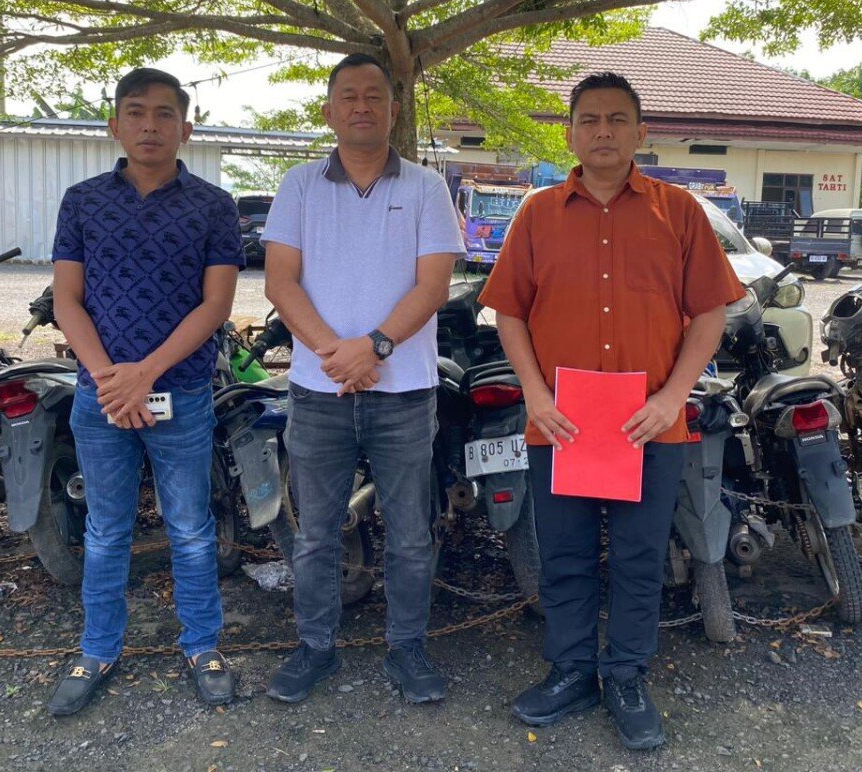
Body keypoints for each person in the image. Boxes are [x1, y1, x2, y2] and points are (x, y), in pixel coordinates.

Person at [479, 72, 744, 750]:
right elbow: (509, 313)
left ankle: (625, 674)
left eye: (617, 119)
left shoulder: (679, 212)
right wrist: (535, 394)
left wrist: (672, 397)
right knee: (564, 553)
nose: (603, 130)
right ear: (570, 133)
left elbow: (708, 314)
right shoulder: (536, 215)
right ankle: (571, 670)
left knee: (639, 556)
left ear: (640, 132)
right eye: (590, 119)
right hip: (561, 423)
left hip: (650, 424)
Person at [261, 53, 464, 704]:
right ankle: (314, 648)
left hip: (404, 393)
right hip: (318, 392)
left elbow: (433, 285)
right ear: (329, 110)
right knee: (316, 533)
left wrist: (374, 347)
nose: (361, 106)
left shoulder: (427, 188)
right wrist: (336, 355)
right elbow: (280, 282)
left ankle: (408, 649)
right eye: (348, 96)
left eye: (374, 96)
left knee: (410, 534)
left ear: (394, 111)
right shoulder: (298, 186)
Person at [47, 67, 244, 716]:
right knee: (106, 531)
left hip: (180, 394)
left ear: (187, 128)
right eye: (136, 112)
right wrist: (113, 379)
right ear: (115, 125)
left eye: (165, 114)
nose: (150, 125)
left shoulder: (214, 206)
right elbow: (67, 300)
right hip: (100, 397)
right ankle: (98, 649)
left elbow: (216, 305)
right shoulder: (82, 201)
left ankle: (203, 647)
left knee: (190, 528)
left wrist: (145, 373)